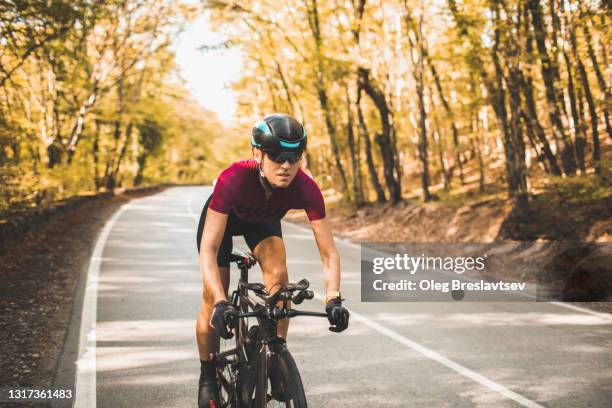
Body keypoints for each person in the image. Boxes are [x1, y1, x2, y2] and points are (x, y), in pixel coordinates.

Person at [195, 113, 350, 407]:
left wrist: (333, 299)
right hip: (223, 225)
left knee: (280, 281)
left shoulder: (305, 188)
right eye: (276, 155)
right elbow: (209, 249)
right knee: (212, 297)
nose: (286, 165)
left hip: (261, 224)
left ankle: (276, 356)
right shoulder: (233, 179)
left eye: (294, 156)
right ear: (257, 153)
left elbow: (328, 251)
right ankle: (208, 376)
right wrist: (219, 302)